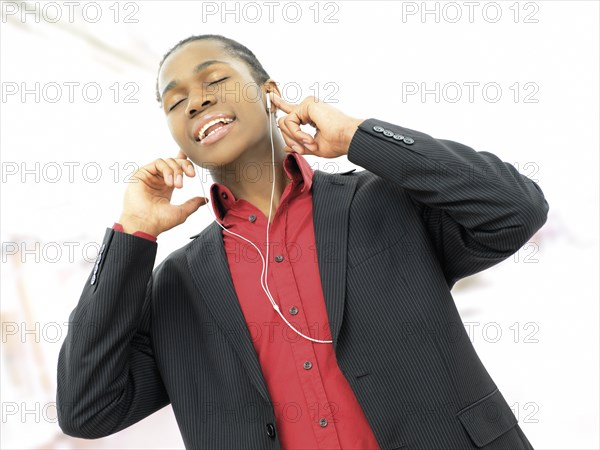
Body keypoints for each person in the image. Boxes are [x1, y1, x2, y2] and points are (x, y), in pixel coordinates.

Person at [56, 34, 548, 449]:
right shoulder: (176, 285)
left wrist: (359, 135)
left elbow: (514, 210)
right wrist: (132, 233)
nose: (197, 101)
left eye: (214, 80)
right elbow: (87, 409)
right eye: (175, 101)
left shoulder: (384, 203)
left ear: (269, 92)